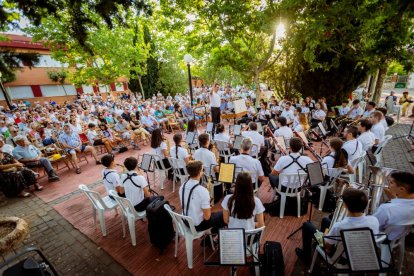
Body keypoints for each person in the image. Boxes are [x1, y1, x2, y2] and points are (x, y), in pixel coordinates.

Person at [297, 188, 380, 261]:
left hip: (341, 257)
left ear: (345, 205)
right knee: (325, 220)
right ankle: (317, 248)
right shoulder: (374, 220)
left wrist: (326, 233)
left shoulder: (340, 226)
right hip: (362, 255)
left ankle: (306, 256)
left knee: (307, 225)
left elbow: (327, 246)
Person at [179, 160, 224, 233]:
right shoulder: (202, 191)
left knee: (214, 214)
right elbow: (207, 217)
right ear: (200, 172)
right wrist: (208, 205)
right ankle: (210, 238)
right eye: (202, 170)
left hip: (185, 221)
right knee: (223, 215)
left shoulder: (182, 186)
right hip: (197, 225)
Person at [373, 171, 414, 242]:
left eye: (391, 183)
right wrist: (394, 198)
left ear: (401, 189)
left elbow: (373, 226)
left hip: (382, 238)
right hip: (400, 234)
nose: (388, 184)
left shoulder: (386, 208)